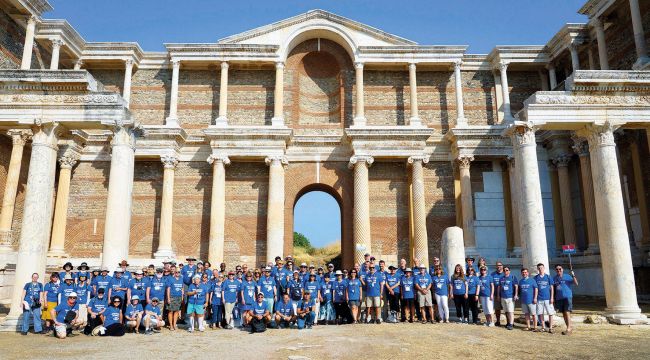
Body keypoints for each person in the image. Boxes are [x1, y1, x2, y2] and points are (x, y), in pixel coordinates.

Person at [554, 265, 578, 335]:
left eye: (560, 269)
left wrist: (573, 275)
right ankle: (568, 327)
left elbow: (576, 283)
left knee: (567, 312)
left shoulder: (567, 276)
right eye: (557, 269)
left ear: (562, 269)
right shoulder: (554, 278)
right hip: (559, 298)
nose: (558, 270)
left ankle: (569, 328)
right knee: (563, 313)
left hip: (567, 297)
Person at [534, 263, 555, 333]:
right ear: (537, 269)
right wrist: (535, 298)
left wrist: (552, 297)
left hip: (547, 298)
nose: (540, 269)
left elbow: (552, 288)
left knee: (550, 313)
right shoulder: (535, 278)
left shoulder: (548, 277)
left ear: (544, 268)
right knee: (540, 313)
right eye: (539, 268)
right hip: (539, 298)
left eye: (541, 268)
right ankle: (543, 327)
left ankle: (551, 327)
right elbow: (535, 288)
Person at [499, 266, 518, 330]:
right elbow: (499, 287)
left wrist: (515, 295)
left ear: (509, 271)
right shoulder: (501, 278)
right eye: (504, 270)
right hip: (503, 297)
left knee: (510, 311)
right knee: (506, 311)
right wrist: (499, 295)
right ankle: (508, 322)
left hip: (510, 297)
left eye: (507, 270)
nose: (505, 271)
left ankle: (511, 324)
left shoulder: (513, 277)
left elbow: (516, 286)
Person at [491, 262, 505, 326]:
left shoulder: (505, 273)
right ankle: (498, 321)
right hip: (496, 294)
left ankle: (509, 322)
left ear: (502, 266)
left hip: (505, 294)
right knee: (497, 309)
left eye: (500, 265)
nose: (499, 266)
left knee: (507, 309)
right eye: (497, 265)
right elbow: (491, 284)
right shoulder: (493, 274)